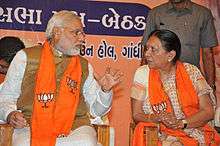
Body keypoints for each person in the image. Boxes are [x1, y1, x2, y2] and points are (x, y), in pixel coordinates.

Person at [0, 10, 122, 146]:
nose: (82, 39)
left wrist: (105, 91)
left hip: (75, 126)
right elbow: (5, 97)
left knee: (86, 142)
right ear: (57, 32)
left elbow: (96, 111)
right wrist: (10, 114)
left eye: (82, 34)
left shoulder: (84, 65)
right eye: (76, 32)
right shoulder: (25, 58)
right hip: (30, 124)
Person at [131, 29, 220, 145]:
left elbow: (208, 111)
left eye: (153, 49)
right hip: (158, 135)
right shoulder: (142, 73)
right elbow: (136, 115)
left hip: (192, 130)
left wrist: (181, 123)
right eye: (147, 48)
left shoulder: (191, 71)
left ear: (170, 55)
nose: (147, 53)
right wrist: (156, 117)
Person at [141, 0, 217, 93]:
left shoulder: (202, 14)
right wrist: (142, 84)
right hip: (159, 81)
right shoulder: (156, 13)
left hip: (191, 80)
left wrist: (211, 88)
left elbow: (207, 54)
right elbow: (146, 50)